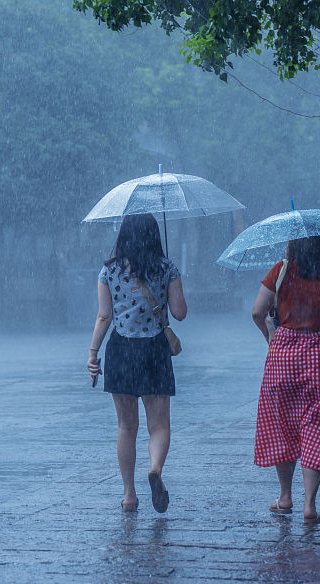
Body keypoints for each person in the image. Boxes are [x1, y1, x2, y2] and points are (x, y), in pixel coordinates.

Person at [250, 235, 320, 524]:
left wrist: (272, 333)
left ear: (293, 245)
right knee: (319, 426)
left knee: (282, 423)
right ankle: (310, 504)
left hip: (283, 354)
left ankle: (285, 498)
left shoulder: (281, 271)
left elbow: (257, 312)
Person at [87, 213, 188, 513]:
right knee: (158, 426)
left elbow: (104, 316)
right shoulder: (167, 268)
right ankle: (155, 468)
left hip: (121, 350)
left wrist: (93, 353)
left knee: (126, 427)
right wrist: (172, 283)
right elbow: (180, 313)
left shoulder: (109, 271)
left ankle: (129, 495)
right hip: (154, 350)